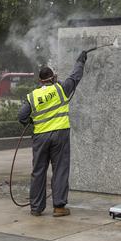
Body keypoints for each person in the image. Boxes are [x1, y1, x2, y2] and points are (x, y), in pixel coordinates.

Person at [17, 50, 88, 217]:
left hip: (40, 137)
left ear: (40, 80)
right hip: (60, 135)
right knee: (60, 169)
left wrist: (32, 122)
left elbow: (22, 116)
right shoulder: (61, 89)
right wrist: (80, 61)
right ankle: (59, 207)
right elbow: (74, 77)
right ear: (53, 77)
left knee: (38, 171)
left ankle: (36, 208)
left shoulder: (33, 96)